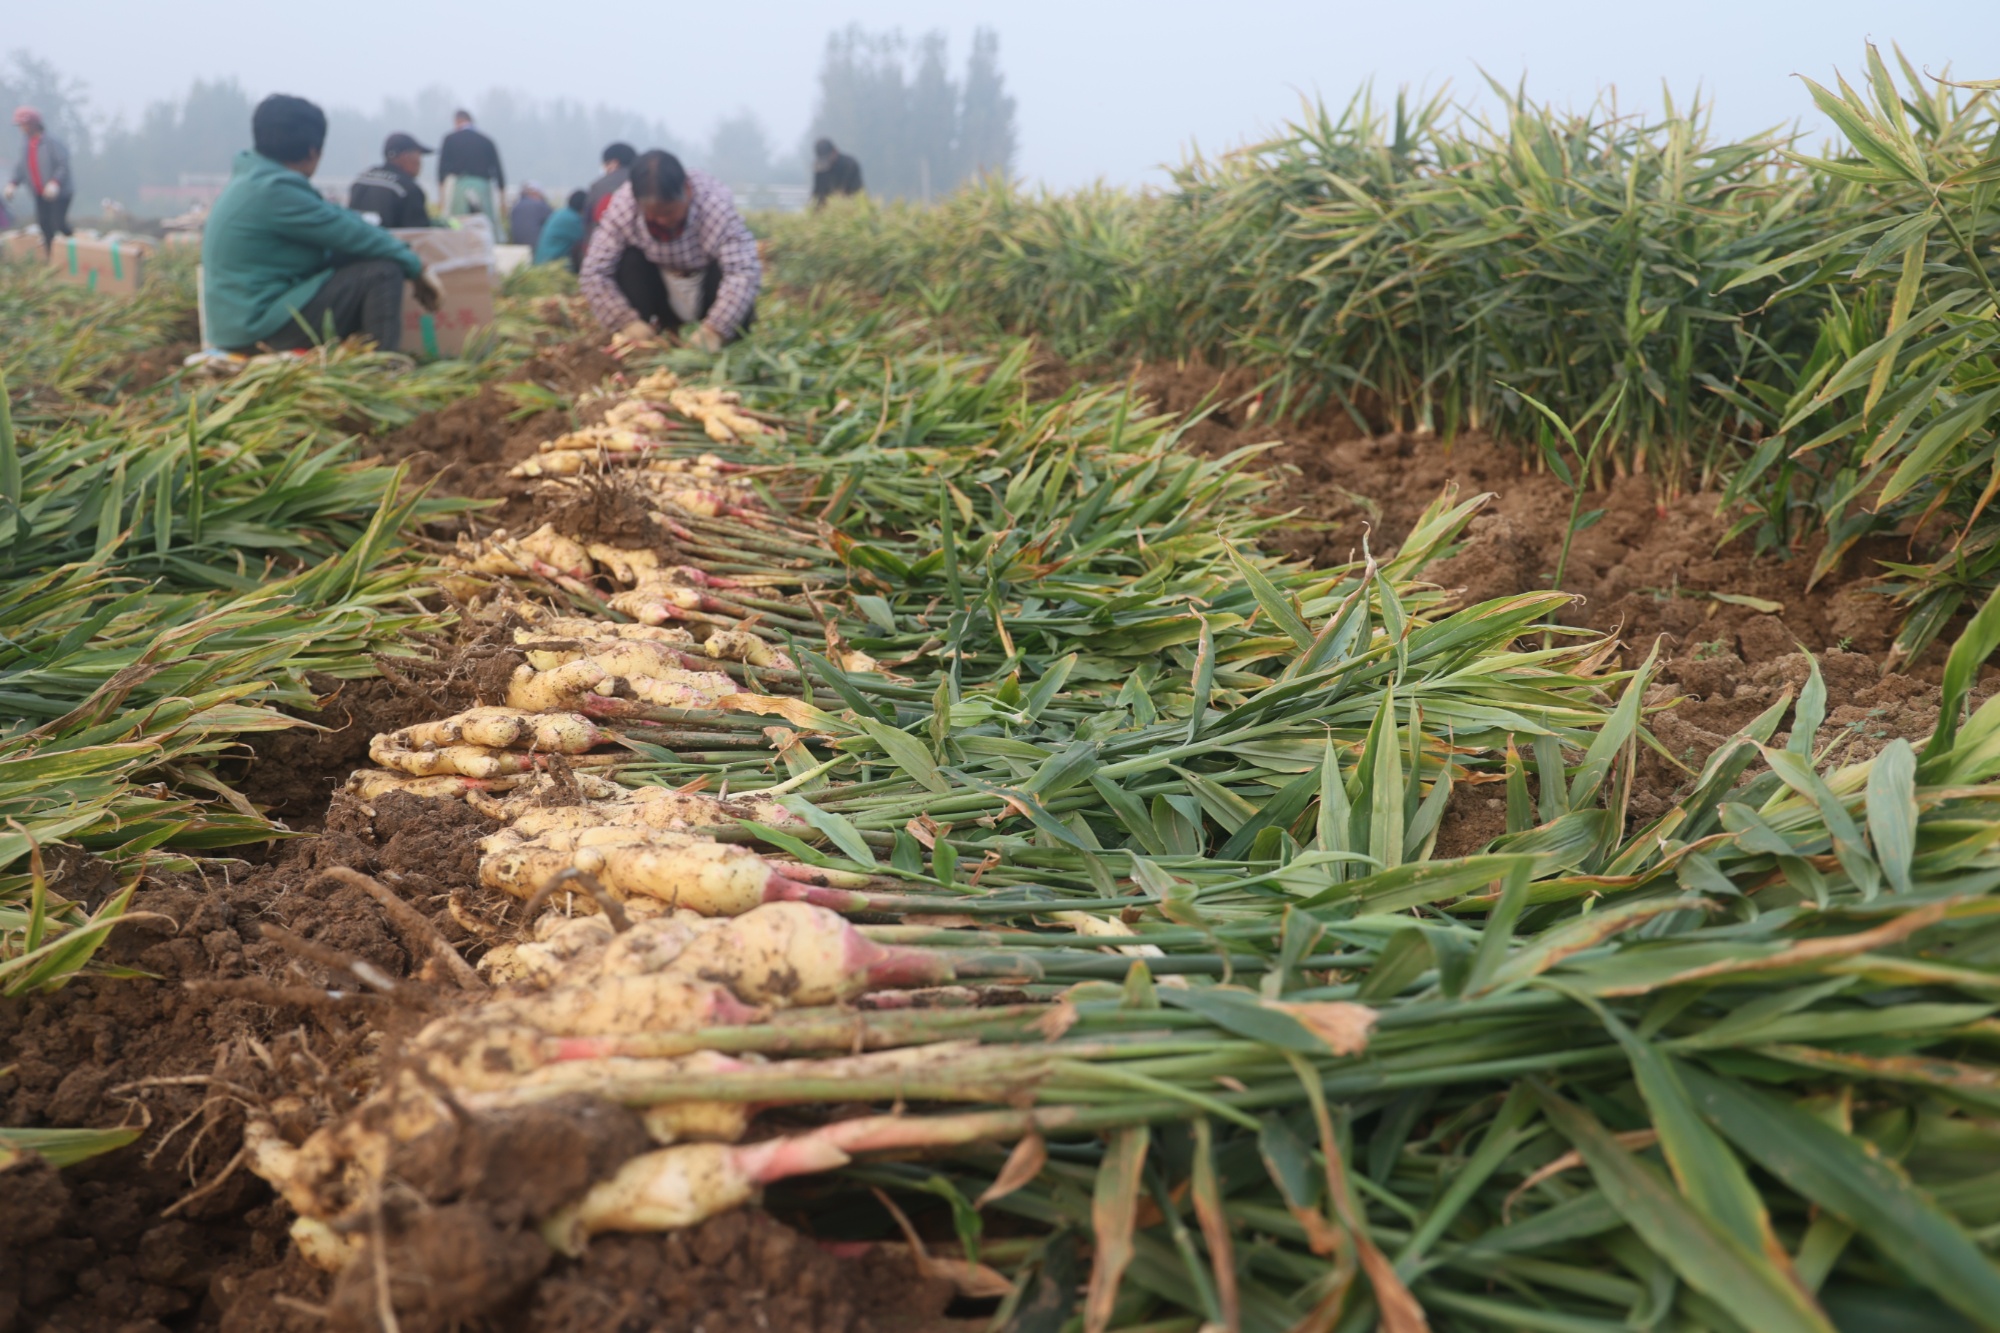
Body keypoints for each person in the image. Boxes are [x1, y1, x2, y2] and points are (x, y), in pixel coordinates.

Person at [202, 94, 439, 353]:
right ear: (313, 151)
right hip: (259, 327)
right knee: (382, 271)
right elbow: (351, 233)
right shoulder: (275, 190)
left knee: (350, 259)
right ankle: (382, 371)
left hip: (242, 321)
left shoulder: (256, 179)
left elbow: (336, 218)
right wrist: (414, 265)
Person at [579, 150, 759, 353]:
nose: (663, 221)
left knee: (732, 280)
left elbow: (743, 271)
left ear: (687, 191)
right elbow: (594, 272)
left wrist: (715, 328)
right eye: (653, 214)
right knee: (628, 261)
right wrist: (625, 320)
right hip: (660, 291)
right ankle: (645, 342)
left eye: (669, 211)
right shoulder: (624, 207)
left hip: (707, 289)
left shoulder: (714, 205)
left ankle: (722, 343)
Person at [6, 108, 74, 253]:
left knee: (59, 224)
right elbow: (21, 167)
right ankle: (51, 258)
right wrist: (13, 183)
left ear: (34, 124)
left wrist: (55, 182)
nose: (22, 128)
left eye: (24, 124)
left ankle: (77, 250)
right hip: (40, 193)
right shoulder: (26, 145)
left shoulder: (51, 142)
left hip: (59, 193)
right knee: (45, 225)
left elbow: (63, 164)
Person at [348, 132, 435, 229]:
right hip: (387, 243)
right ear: (405, 156)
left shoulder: (361, 180)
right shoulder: (407, 189)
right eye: (418, 156)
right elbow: (419, 236)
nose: (420, 163)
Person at [438, 109, 504, 222]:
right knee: (484, 222)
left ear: (457, 121)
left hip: (459, 186)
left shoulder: (450, 139)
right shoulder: (487, 141)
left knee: (458, 222)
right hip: (482, 186)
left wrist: (442, 197)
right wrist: (503, 199)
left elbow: (441, 170)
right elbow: (498, 171)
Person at [582, 141, 636, 252]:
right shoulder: (643, 182)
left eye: (605, 165)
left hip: (605, 249)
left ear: (614, 163)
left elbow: (588, 222)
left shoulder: (597, 186)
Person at [535, 189, 587, 269]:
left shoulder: (561, 213)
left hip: (541, 263)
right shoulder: (573, 219)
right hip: (551, 266)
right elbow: (588, 241)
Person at [811, 138, 862, 208]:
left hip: (850, 206)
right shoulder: (820, 168)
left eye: (827, 158)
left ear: (834, 152)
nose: (825, 162)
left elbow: (857, 192)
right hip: (827, 209)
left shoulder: (849, 165)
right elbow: (817, 195)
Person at [509, 181, 551, 249]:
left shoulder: (515, 207)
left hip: (518, 246)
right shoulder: (541, 206)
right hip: (537, 247)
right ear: (536, 193)